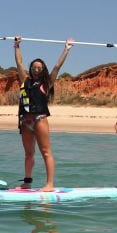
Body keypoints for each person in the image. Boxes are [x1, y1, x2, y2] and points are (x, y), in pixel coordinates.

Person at [13, 36, 74, 191]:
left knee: (46, 152)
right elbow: (19, 63)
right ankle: (27, 182)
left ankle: (50, 184)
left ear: (43, 70)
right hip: (25, 122)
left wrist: (66, 49)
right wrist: (17, 46)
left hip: (39, 120)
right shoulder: (25, 80)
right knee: (28, 154)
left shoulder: (47, 83)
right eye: (34, 67)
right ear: (31, 68)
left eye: (39, 68)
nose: (36, 69)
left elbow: (57, 66)